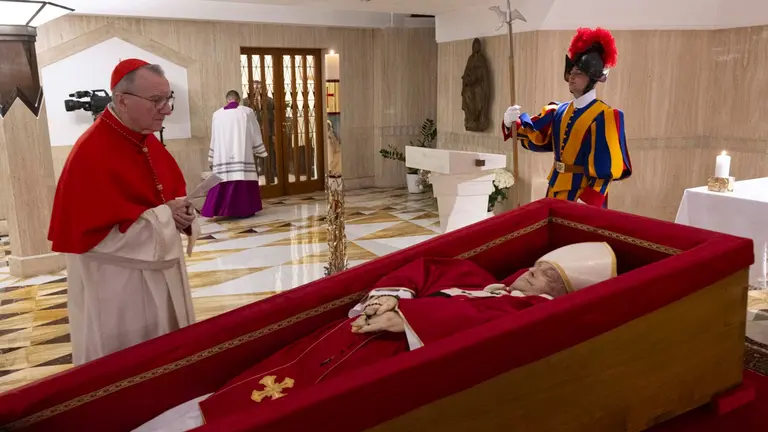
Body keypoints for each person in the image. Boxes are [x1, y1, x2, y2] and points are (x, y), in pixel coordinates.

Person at [134, 242, 616, 431]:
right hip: (349, 334)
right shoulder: (488, 280)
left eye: (544, 276)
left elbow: (495, 331)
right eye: (534, 265)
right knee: (264, 378)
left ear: (562, 293)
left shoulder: (534, 311)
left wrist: (410, 319)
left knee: (295, 407)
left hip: (388, 358)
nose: (529, 274)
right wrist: (390, 296)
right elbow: (428, 268)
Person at [48, 58, 198, 366]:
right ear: (122, 100)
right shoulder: (90, 152)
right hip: (119, 283)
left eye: (168, 99)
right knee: (130, 361)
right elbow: (94, 239)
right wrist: (164, 217)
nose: (166, 109)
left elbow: (168, 197)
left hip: (161, 271)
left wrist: (183, 214)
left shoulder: (145, 140)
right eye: (156, 100)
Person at [502, 27, 632, 208]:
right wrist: (511, 124)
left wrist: (589, 200)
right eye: (571, 72)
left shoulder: (604, 116)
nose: (571, 77)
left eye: (578, 73)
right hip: (554, 190)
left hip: (582, 197)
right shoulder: (558, 111)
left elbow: (606, 169)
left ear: (592, 78)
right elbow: (538, 138)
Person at [202, 90, 267, 218]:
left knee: (223, 178)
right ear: (238, 100)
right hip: (241, 152)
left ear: (227, 100)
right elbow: (254, 131)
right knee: (242, 176)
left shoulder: (217, 114)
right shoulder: (246, 112)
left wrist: (212, 155)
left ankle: (219, 210)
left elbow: (214, 137)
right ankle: (244, 209)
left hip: (223, 155)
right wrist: (259, 149)